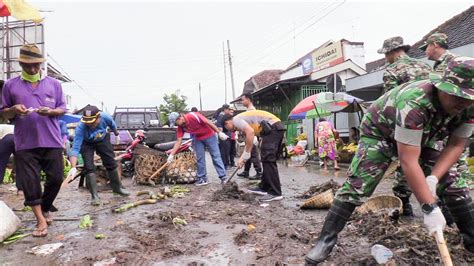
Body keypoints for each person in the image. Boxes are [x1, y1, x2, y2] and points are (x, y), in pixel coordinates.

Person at [305, 57, 474, 264]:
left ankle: (471, 239)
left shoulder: (468, 106)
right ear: (442, 87)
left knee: (455, 183)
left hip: (425, 135)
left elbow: (456, 145)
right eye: (457, 97)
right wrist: (429, 207)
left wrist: (434, 179)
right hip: (381, 132)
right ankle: (325, 241)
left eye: (468, 99)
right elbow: (408, 160)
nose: (463, 104)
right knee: (359, 184)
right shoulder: (415, 101)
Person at [0, 44, 66, 237]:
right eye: (28, 66)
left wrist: (51, 111)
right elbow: (3, 112)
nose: (32, 69)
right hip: (25, 142)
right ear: (20, 63)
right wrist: (13, 110)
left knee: (56, 178)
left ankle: (45, 207)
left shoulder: (54, 84)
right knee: (31, 183)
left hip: (52, 140)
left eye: (36, 65)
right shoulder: (10, 85)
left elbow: (62, 108)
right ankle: (40, 220)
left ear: (41, 64)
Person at [378, 36, 432, 216]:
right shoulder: (425, 66)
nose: (386, 59)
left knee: (407, 162)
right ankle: (445, 213)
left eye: (386, 55)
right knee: (432, 162)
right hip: (431, 124)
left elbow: (390, 102)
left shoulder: (392, 71)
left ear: (392, 52)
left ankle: (404, 205)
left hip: (407, 123)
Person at [69, 105, 129, 205]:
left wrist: (117, 134)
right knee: (89, 167)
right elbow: (75, 148)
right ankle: (94, 196)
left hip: (102, 139)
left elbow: (113, 126)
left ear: (98, 118)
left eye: (92, 122)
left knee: (111, 163)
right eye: (87, 122)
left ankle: (117, 189)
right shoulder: (81, 128)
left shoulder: (105, 117)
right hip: (86, 143)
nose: (90, 125)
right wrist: (73, 167)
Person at [222, 110, 285, 202]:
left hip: (273, 127)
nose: (230, 130)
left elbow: (250, 132)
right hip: (271, 129)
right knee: (265, 158)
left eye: (227, 128)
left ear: (227, 122)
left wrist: (245, 155)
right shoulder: (240, 121)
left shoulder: (236, 120)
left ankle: (275, 193)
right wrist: (245, 157)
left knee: (268, 159)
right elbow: (250, 138)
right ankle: (264, 187)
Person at [168, 111, 228, 186]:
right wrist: (171, 155)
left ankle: (223, 178)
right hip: (198, 139)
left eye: (176, 123)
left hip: (210, 136)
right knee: (200, 158)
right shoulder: (181, 127)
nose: (177, 125)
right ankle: (202, 179)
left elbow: (208, 122)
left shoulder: (193, 116)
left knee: (216, 157)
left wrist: (219, 132)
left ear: (180, 118)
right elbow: (179, 141)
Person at [237, 93, 263, 179]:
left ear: (248, 99)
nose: (242, 102)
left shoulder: (251, 110)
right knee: (248, 152)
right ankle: (246, 171)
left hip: (252, 135)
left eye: (243, 100)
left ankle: (259, 172)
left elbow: (254, 124)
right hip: (249, 135)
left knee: (254, 154)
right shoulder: (249, 110)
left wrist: (254, 136)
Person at [216, 104, 233, 170]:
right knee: (224, 150)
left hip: (226, 135)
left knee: (226, 150)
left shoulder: (224, 116)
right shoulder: (221, 116)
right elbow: (220, 127)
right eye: (228, 109)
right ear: (225, 109)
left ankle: (226, 163)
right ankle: (225, 164)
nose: (229, 111)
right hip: (224, 135)